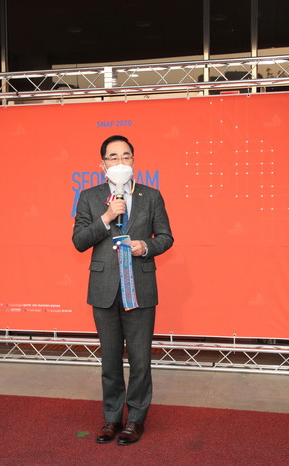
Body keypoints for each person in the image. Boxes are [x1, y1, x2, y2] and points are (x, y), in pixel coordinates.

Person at [72, 135, 174, 446]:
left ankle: (135, 420)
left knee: (140, 359)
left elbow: (166, 237)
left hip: (140, 287)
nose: (120, 162)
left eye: (125, 156)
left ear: (133, 160)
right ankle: (112, 418)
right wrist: (106, 217)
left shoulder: (151, 196)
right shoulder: (89, 197)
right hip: (104, 288)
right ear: (101, 164)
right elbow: (79, 241)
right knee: (110, 359)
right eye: (113, 157)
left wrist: (146, 246)